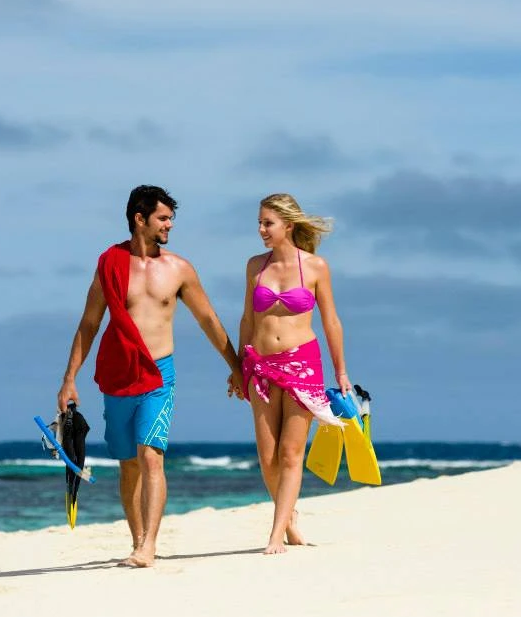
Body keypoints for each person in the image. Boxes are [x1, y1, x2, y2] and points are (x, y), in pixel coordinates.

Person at [57, 184, 244, 568]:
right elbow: (90, 322)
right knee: (128, 463)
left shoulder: (178, 269)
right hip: (118, 374)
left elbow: (207, 319)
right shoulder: (109, 264)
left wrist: (236, 366)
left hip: (159, 374)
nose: (169, 225)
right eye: (163, 218)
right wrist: (69, 378)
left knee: (151, 457)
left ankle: (149, 547)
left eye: (171, 218)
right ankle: (137, 538)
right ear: (139, 219)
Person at [237, 193, 352, 554]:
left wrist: (341, 371)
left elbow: (331, 320)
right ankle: (290, 517)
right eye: (259, 222)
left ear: (288, 225)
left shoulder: (315, 266)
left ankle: (276, 534)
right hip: (261, 366)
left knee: (290, 453)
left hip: (302, 364)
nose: (261, 230)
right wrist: (238, 365)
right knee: (267, 457)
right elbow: (246, 318)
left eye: (267, 223)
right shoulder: (255, 266)